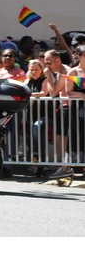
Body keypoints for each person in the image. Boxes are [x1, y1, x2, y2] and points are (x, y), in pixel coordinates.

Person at [43, 49, 72, 178]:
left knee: (63, 139)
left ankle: (66, 167)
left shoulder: (65, 71)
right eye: (45, 63)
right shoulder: (59, 72)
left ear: (57, 60)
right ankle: (64, 166)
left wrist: (48, 76)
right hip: (62, 108)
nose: (47, 66)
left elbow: (53, 92)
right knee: (59, 138)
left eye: (48, 62)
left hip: (69, 108)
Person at [24, 60, 49, 169]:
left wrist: (30, 95)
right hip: (29, 115)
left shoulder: (44, 80)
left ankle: (37, 158)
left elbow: (44, 93)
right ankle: (36, 163)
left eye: (36, 69)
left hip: (44, 115)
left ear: (41, 70)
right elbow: (22, 92)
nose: (33, 72)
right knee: (30, 136)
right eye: (31, 69)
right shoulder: (27, 81)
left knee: (36, 127)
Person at [66, 45, 85, 178]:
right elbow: (68, 92)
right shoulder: (73, 72)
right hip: (78, 110)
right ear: (79, 56)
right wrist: (83, 96)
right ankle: (76, 166)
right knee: (78, 135)